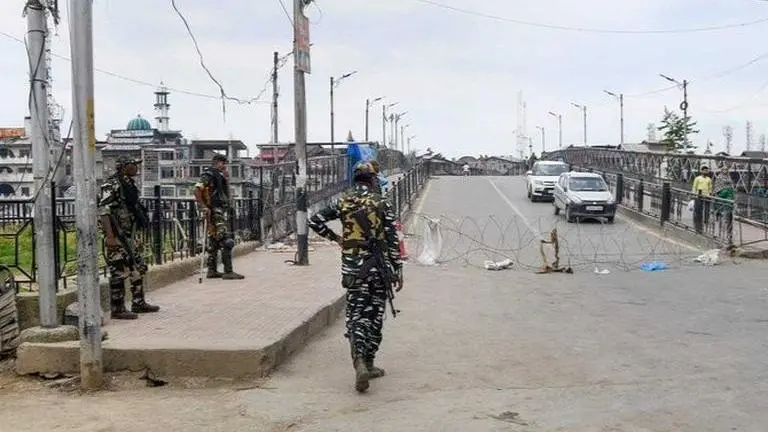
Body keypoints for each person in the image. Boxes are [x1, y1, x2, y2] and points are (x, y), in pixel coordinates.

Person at [308, 161, 403, 393]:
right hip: (378, 269)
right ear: (372, 180)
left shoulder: (343, 202)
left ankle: (358, 360)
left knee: (356, 315)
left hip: (353, 269)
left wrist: (336, 238)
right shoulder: (381, 202)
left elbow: (314, 221)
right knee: (374, 314)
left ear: (355, 179)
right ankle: (368, 362)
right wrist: (397, 269)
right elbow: (392, 239)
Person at [98, 156, 160, 320]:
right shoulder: (112, 184)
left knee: (138, 268)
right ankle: (117, 309)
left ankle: (138, 302)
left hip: (128, 235)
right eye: (134, 164)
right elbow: (104, 210)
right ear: (124, 166)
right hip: (117, 235)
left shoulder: (129, 184)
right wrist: (110, 237)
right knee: (118, 271)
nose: (137, 167)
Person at [194, 154, 244, 280]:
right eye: (223, 163)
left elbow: (225, 193)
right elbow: (197, 190)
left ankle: (212, 270)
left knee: (214, 241)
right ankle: (228, 271)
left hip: (218, 210)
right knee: (226, 240)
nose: (224, 166)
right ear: (216, 162)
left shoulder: (219, 176)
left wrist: (226, 179)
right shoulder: (209, 175)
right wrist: (203, 206)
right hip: (215, 210)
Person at [692, 165, 713, 233]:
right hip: (699, 195)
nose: (705, 171)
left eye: (706, 170)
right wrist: (694, 194)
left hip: (706, 196)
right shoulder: (697, 178)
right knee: (698, 209)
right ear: (701, 171)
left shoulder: (709, 179)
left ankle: (706, 221)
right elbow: (694, 187)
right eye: (704, 170)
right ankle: (697, 221)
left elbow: (710, 188)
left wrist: (710, 194)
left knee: (707, 209)